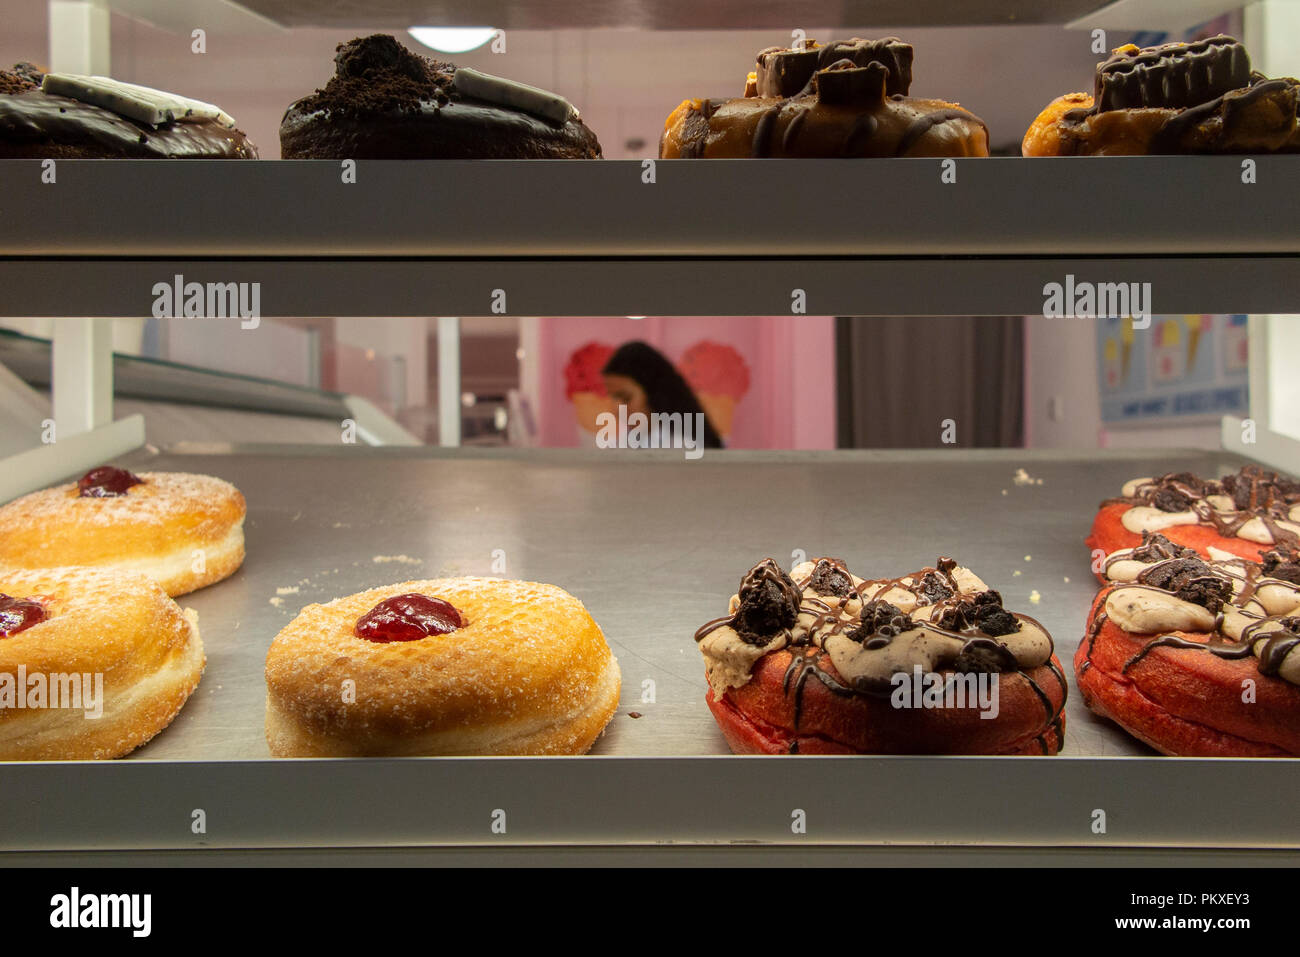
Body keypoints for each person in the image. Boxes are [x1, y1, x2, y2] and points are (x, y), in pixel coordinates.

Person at [601, 341, 725, 449]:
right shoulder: (619, 447)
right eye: (613, 399)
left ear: (655, 394)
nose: (616, 410)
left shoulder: (691, 449)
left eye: (626, 398)